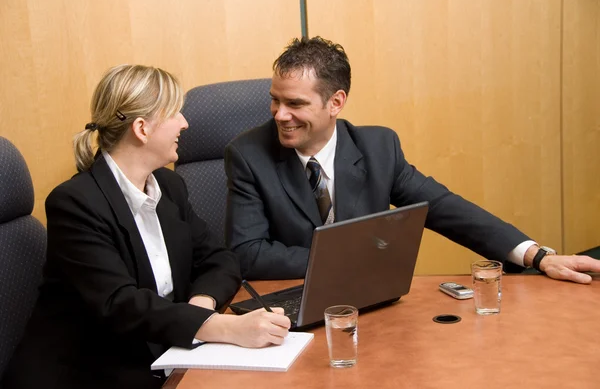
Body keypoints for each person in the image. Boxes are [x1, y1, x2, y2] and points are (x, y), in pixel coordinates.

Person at [2, 65, 290, 389]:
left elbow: (219, 258)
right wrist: (220, 328)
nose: (184, 122)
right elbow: (120, 304)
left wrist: (202, 304)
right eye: (175, 113)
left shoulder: (168, 186)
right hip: (92, 372)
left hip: (163, 352)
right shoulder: (75, 204)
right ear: (142, 128)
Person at [225, 36, 600, 283]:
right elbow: (248, 254)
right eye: (275, 99)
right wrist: (347, 261)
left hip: (372, 305)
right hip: (290, 305)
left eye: (295, 103)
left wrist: (537, 256)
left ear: (336, 102)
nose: (279, 114)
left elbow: (446, 208)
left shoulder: (378, 147)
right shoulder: (248, 154)